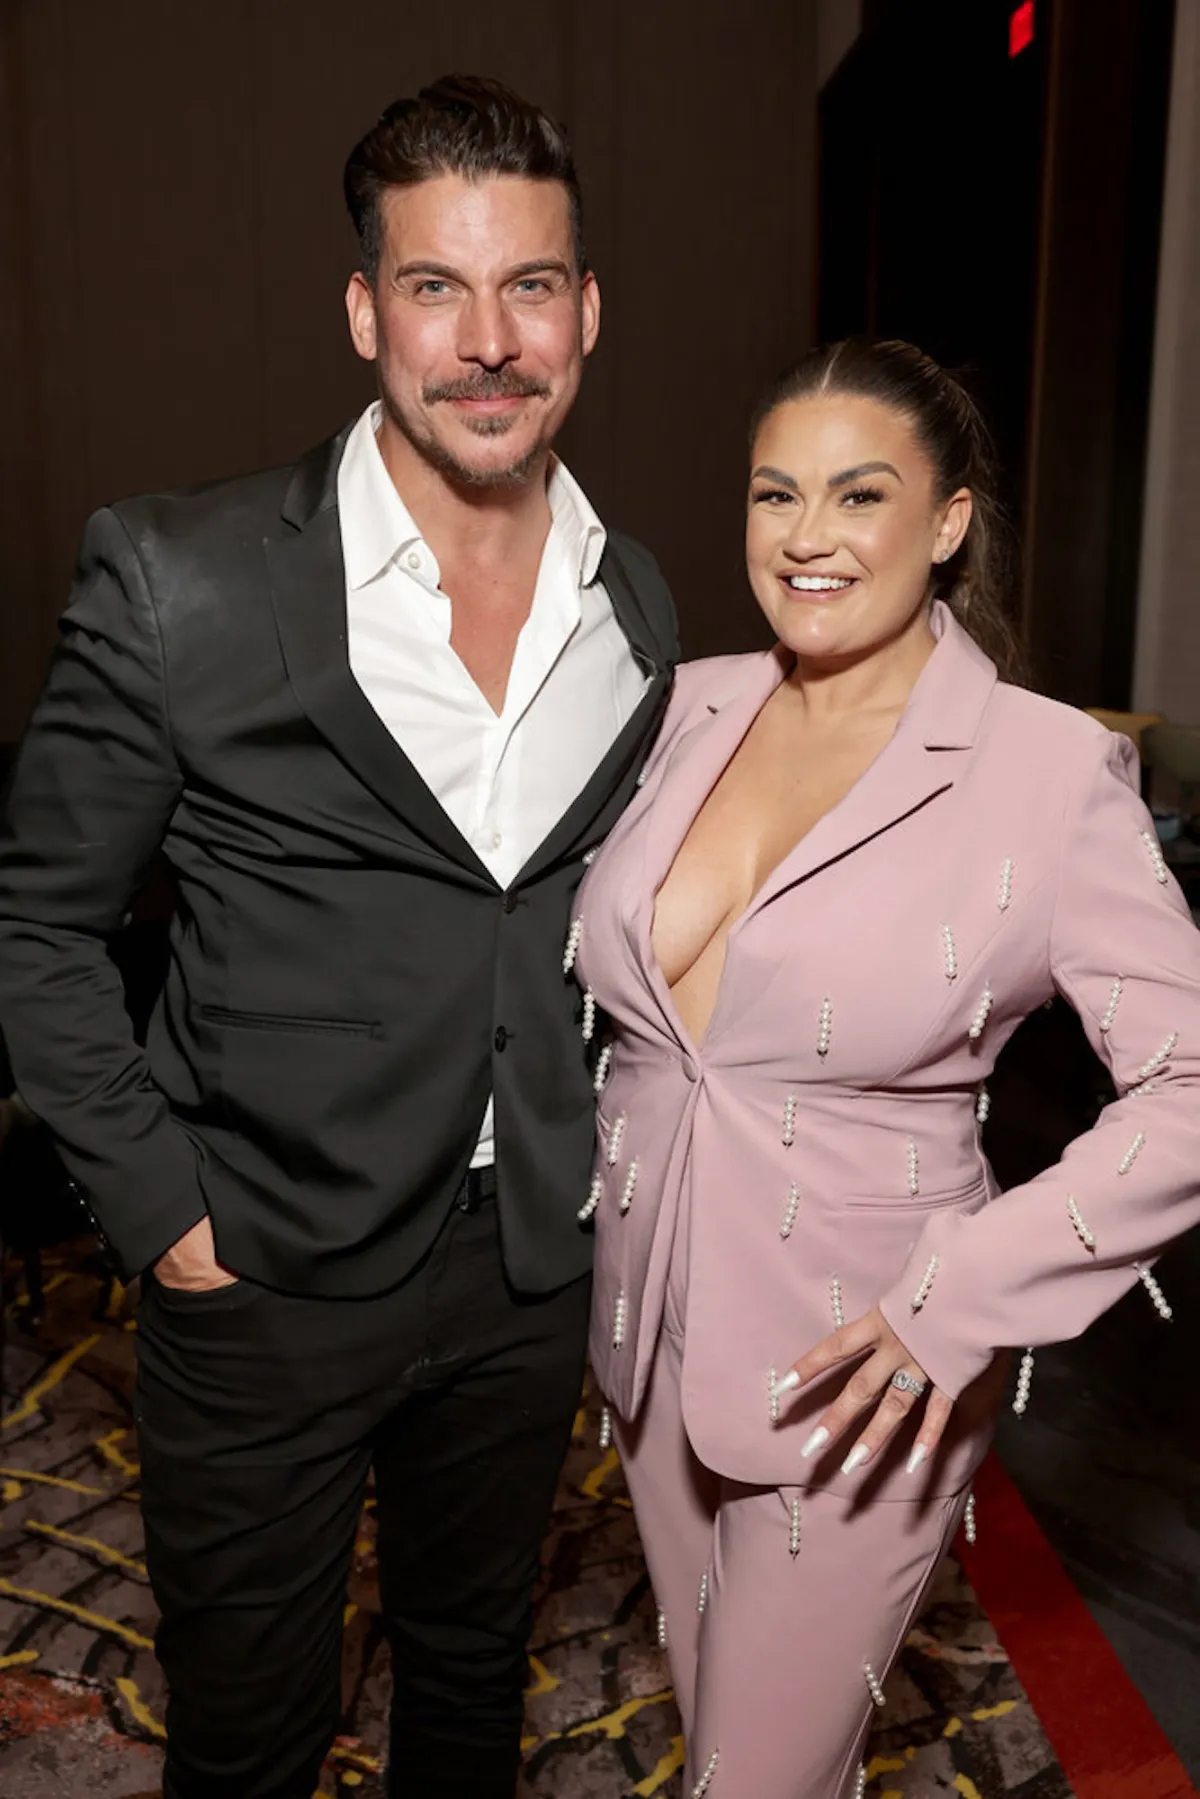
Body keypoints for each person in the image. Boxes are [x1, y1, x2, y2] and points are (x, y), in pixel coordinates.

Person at [0, 75, 677, 1799]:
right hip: (263, 1272)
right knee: (252, 1738)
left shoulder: (637, 605)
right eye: (438, 287)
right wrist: (166, 1217)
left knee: (470, 1684)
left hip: (525, 1270)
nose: (490, 342)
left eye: (530, 286)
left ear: (588, 311)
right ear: (366, 311)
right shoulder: (181, 576)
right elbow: (42, 922)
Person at [571, 338, 1200, 1797]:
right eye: (774, 493)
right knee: (736, 1744)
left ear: (949, 521)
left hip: (864, 1371)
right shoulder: (690, 706)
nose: (808, 535)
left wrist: (962, 1295)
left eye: (860, 495)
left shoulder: (1045, 772)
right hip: (649, 1339)